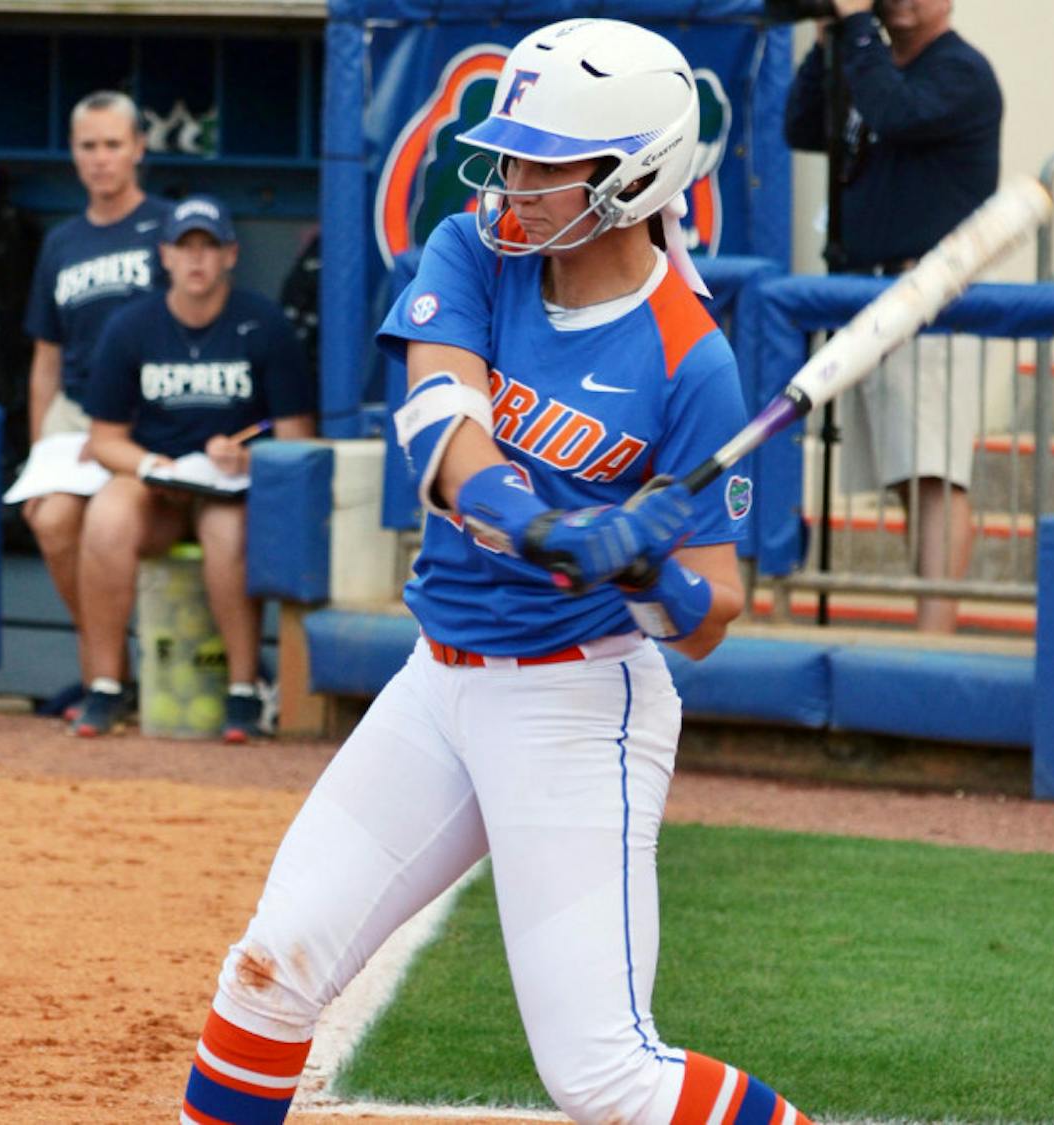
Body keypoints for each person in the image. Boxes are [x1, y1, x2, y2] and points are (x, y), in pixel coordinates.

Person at [179, 20, 814, 1125]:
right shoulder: (473, 248)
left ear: (633, 178)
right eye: (511, 155)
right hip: (440, 682)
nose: (512, 181)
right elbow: (440, 427)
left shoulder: (690, 358)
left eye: (541, 162)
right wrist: (550, 525)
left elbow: (713, 613)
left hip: (577, 705)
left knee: (603, 1074)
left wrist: (649, 569)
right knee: (270, 974)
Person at [785, 0, 1003, 631]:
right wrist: (828, 42)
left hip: (929, 295)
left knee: (933, 474)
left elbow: (895, 113)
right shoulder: (865, 60)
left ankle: (936, 635)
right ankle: (931, 618)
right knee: (906, 476)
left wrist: (856, 28)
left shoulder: (962, 71)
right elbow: (802, 129)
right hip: (868, 299)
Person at [79, 195, 316, 742]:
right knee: (107, 512)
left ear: (231, 254)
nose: (196, 261)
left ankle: (242, 691)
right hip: (159, 487)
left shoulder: (264, 325)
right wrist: (150, 464)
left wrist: (247, 457)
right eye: (184, 248)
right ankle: (107, 685)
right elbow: (105, 440)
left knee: (226, 530)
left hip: (228, 489)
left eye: (209, 248)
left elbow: (297, 439)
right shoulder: (131, 327)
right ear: (164, 255)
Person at [20, 89, 173, 720]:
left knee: (99, 523)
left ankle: (104, 679)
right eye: (89, 146)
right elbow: (46, 355)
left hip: (145, 416)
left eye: (113, 144)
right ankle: (110, 666)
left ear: (138, 148)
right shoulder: (62, 242)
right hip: (76, 410)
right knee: (50, 519)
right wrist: (42, 448)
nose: (101, 158)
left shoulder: (169, 226)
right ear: (74, 155)